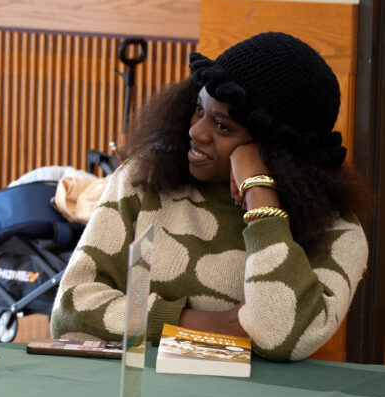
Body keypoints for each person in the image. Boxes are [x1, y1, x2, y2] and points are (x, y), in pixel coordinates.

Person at [50, 31, 370, 362]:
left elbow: (279, 337)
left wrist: (258, 191)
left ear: (278, 150)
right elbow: (71, 312)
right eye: (198, 110)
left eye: (222, 126)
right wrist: (206, 326)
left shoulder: (337, 233)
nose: (196, 132)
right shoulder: (143, 180)